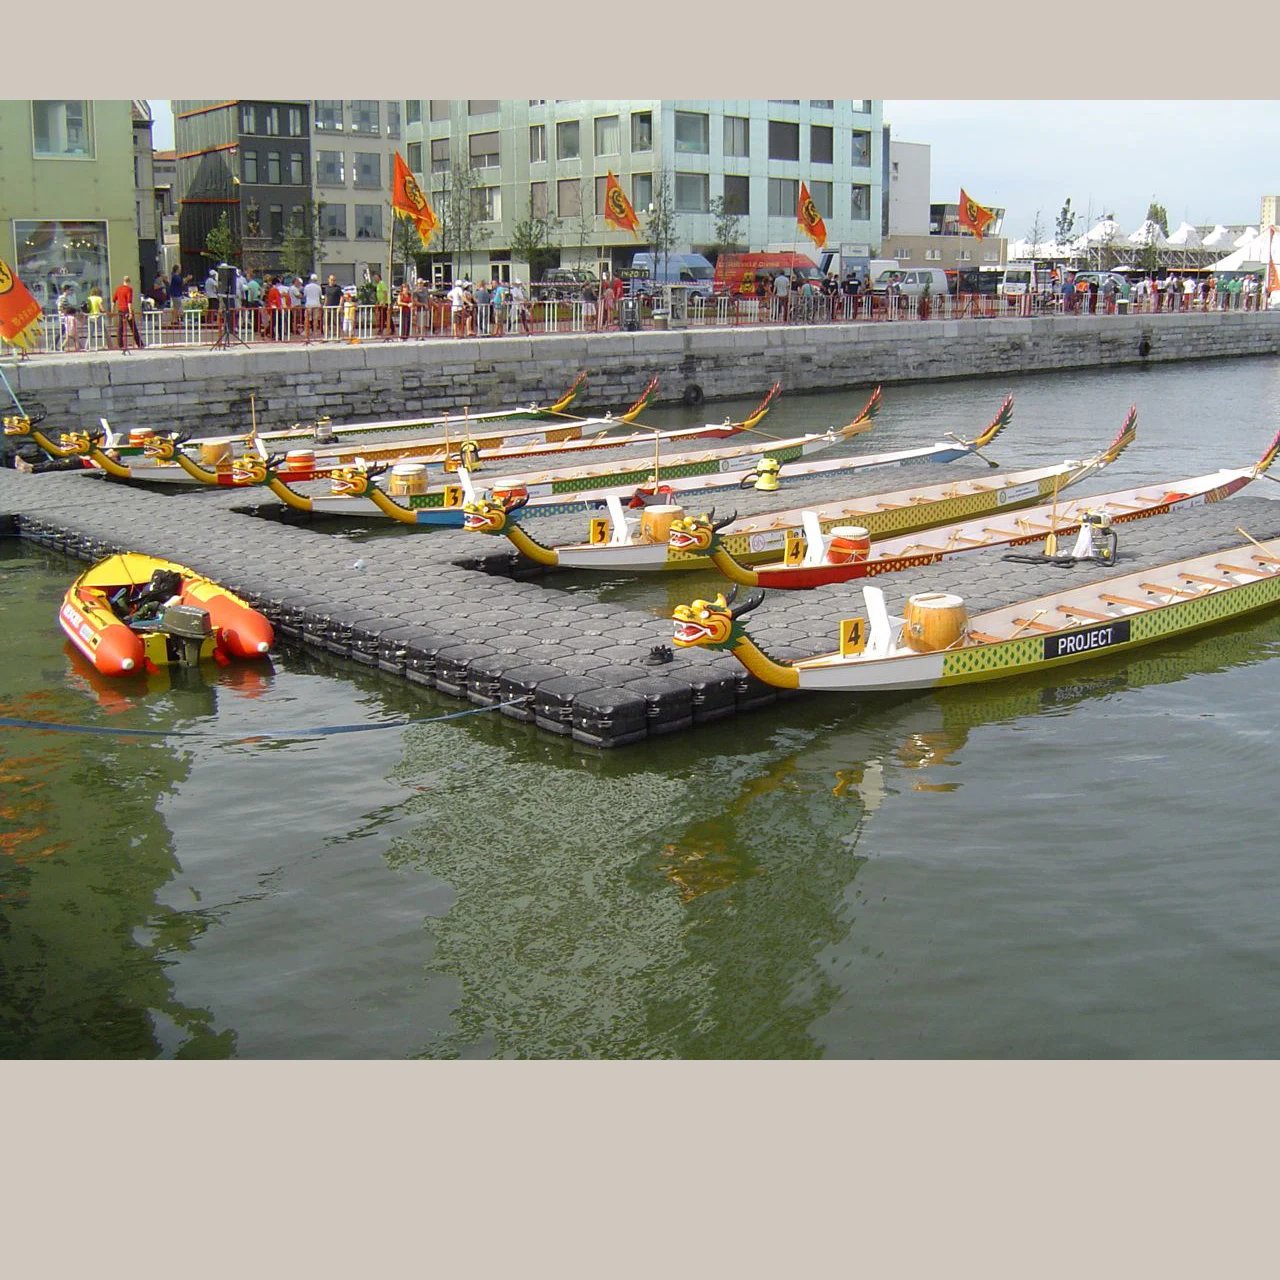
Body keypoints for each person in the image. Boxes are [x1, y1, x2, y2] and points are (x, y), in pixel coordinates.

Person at [112, 275, 144, 352]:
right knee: (133, 327)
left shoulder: (118, 289)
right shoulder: (129, 289)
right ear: (129, 281)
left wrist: (113, 310)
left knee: (120, 328)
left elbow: (113, 300)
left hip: (120, 310)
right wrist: (130, 313)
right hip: (126, 310)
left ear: (123, 281)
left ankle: (121, 345)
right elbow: (129, 302)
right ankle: (139, 344)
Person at [58, 284, 80, 352]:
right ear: (66, 290)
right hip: (64, 317)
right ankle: (57, 345)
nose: (71, 292)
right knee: (66, 333)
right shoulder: (63, 298)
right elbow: (62, 307)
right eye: (70, 290)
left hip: (65, 317)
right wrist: (66, 312)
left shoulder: (64, 298)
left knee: (65, 333)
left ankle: (77, 346)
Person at [303, 273, 324, 340]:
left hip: (309, 304)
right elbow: (320, 295)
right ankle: (315, 332)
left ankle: (306, 331)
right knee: (315, 319)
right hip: (316, 303)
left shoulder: (307, 287)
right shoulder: (318, 287)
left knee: (307, 318)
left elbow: (305, 295)